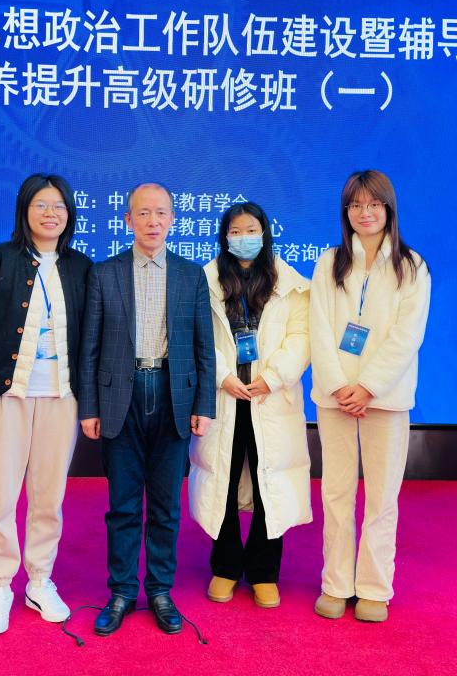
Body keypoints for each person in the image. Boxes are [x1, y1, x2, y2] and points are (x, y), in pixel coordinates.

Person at [78, 183, 216, 636]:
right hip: (121, 395)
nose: (153, 221)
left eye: (161, 213)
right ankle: (121, 592)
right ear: (128, 220)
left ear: (173, 219)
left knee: (164, 505)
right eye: (143, 213)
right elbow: (90, 347)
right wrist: (90, 406)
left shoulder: (191, 275)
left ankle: (159, 591)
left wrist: (204, 404)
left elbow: (204, 346)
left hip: (174, 394)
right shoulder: (105, 274)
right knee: (122, 505)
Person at [0, 173, 93, 635]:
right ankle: (0, 585)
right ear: (24, 209)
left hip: (61, 396)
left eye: (59, 205)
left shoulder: (81, 268)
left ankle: (40, 580)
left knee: (49, 495)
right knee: (0, 495)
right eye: (41, 204)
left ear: (69, 214)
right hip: (6, 395)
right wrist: (7, 368)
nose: (50, 213)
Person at [310, 169, 430, 623]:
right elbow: (319, 329)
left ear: (388, 208)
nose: (365, 213)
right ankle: (336, 583)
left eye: (374, 204)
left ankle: (375, 587)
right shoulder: (329, 263)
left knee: (382, 497)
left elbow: (407, 336)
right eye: (356, 205)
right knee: (336, 492)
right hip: (335, 397)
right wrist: (341, 386)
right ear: (346, 212)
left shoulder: (411, 267)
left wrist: (369, 387)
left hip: (386, 398)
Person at [189, 202, 312, 609]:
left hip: (269, 398)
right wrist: (223, 375)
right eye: (236, 231)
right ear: (225, 236)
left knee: (268, 483)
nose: (244, 238)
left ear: (265, 233)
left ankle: (263, 571)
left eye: (252, 230)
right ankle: (225, 566)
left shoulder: (290, 283)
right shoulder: (205, 281)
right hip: (224, 396)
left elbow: (301, 338)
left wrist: (272, 378)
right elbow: (196, 335)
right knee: (221, 481)